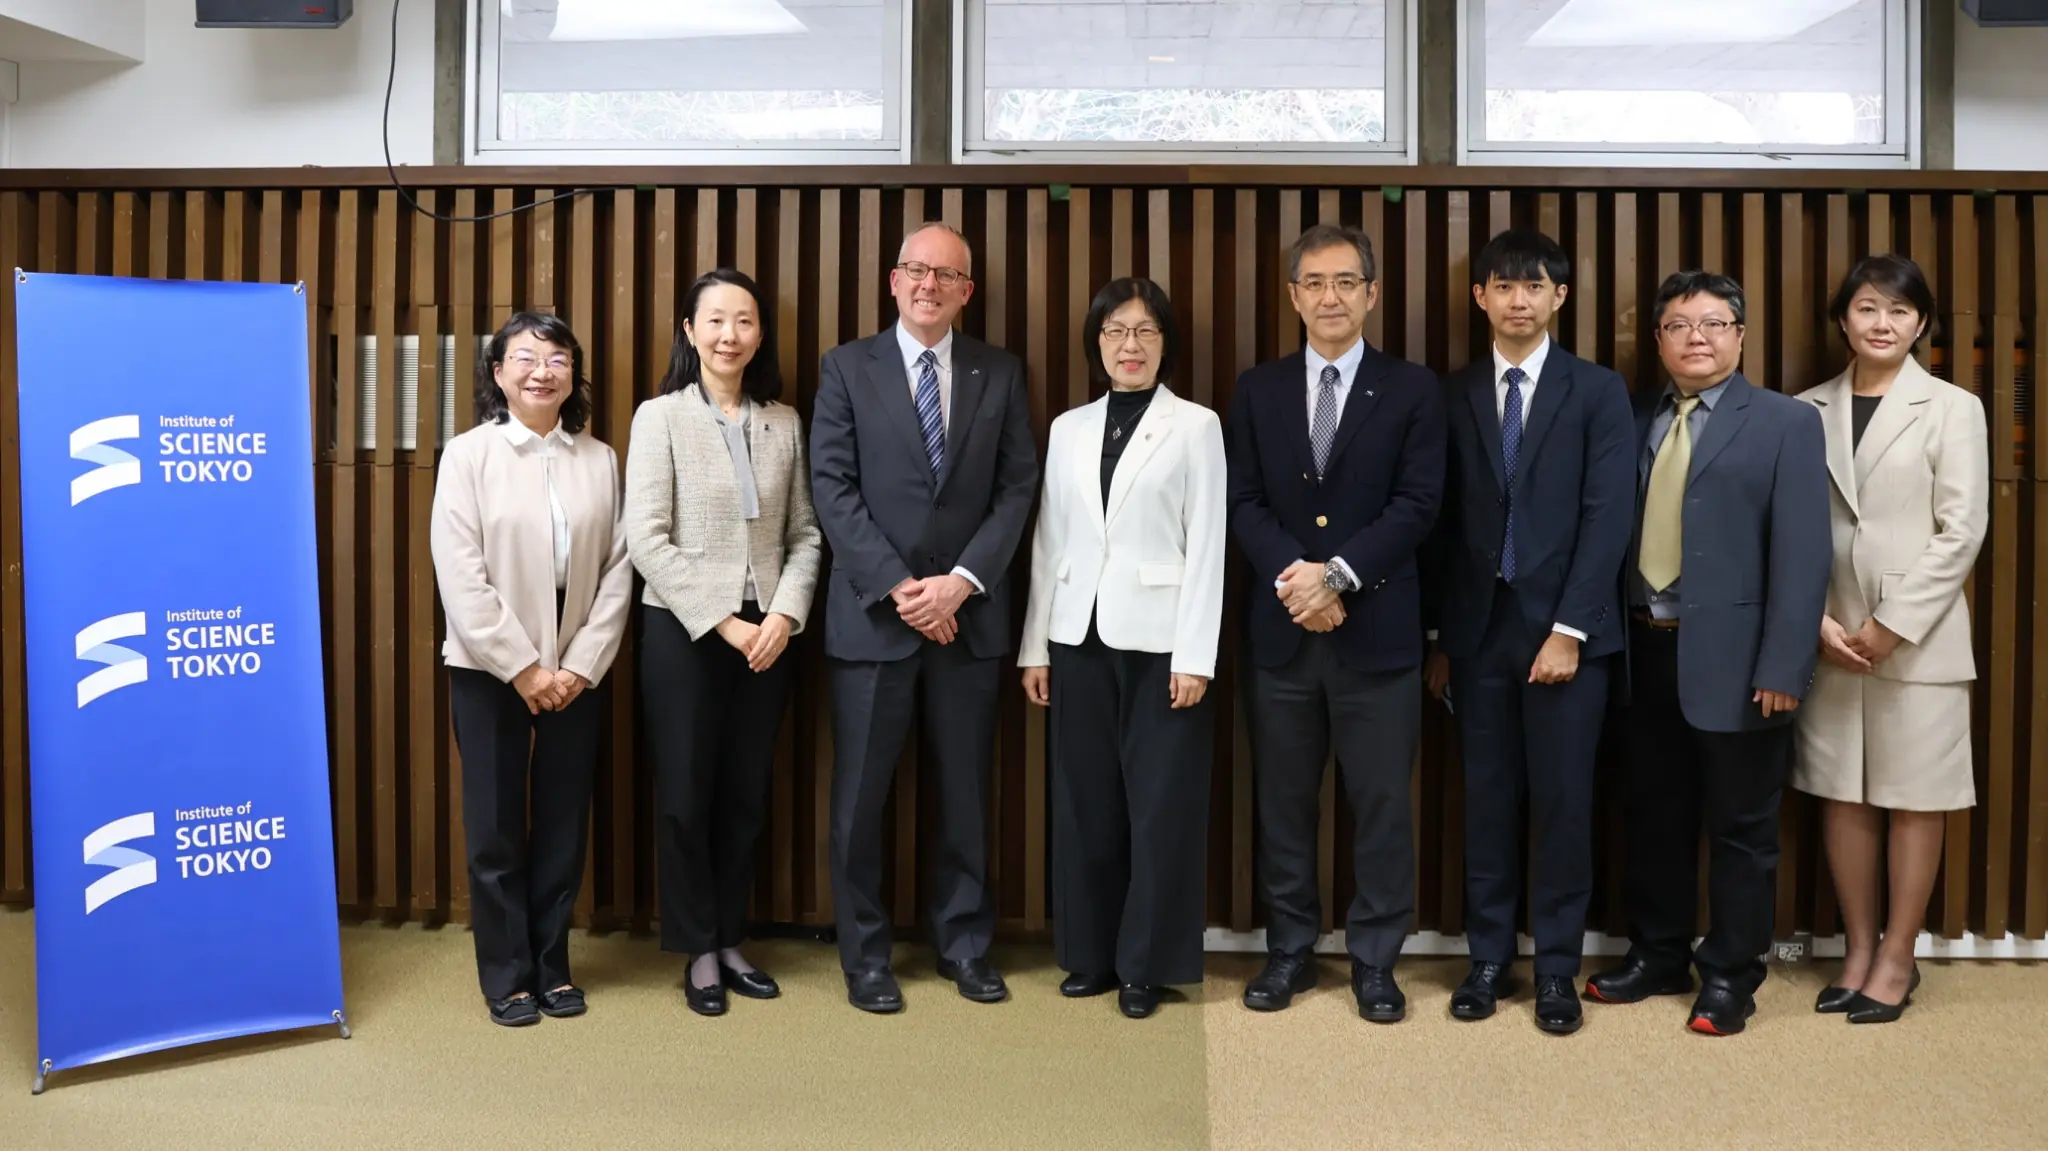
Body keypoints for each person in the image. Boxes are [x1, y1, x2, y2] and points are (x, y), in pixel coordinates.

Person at [1583, 271, 1831, 1037]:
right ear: (1656, 339)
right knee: (1653, 815)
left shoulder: (1786, 423)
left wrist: (1785, 666)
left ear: (1741, 335)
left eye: (1715, 323)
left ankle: (1730, 974)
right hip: (1643, 652)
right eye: (1680, 325)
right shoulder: (1632, 415)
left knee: (1741, 827)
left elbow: (1804, 555)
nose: (1698, 337)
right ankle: (1657, 954)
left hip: (1741, 662)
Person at [810, 221, 1040, 1013]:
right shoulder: (846, 367)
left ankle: (965, 945)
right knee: (861, 799)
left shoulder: (1001, 373)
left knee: (965, 794)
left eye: (946, 274)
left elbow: (1018, 490)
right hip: (875, 620)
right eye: (916, 269)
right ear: (893, 279)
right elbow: (832, 487)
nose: (929, 284)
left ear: (967, 290)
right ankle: (866, 957)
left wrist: (961, 583)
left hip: (968, 623)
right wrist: (907, 590)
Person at [1227, 223, 1446, 1023]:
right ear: (1293, 295)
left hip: (1377, 631)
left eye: (1346, 282)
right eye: (1314, 282)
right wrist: (1299, 581)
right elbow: (1243, 499)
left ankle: (1376, 957)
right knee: (1284, 802)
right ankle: (1290, 948)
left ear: (1372, 294)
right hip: (1284, 630)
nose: (1330, 296)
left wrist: (1340, 575)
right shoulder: (1258, 388)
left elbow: (1418, 503)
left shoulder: (1414, 388)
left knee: (1382, 802)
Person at [1421, 229, 1635, 1035]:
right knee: (1486, 801)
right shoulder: (1454, 390)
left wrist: (1571, 628)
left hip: (1565, 636)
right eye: (1503, 286)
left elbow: (1607, 515)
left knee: (1562, 803)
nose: (1518, 299)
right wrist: (1441, 634)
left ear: (1560, 299)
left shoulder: (1597, 390)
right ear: (1480, 296)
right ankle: (1486, 959)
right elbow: (1440, 523)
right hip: (1475, 635)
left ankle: (1554, 968)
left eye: (1534, 286)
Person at [1018, 277, 1227, 1020]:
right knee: (1084, 804)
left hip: (1163, 642)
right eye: (1115, 331)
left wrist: (1196, 655)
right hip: (1077, 634)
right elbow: (1050, 539)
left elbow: (1209, 545)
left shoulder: (1197, 426)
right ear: (1095, 341)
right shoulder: (1069, 428)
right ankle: (1091, 955)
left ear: (1166, 343)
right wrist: (1033, 645)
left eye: (1144, 331)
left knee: (1160, 806)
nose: (1129, 345)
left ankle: (1147, 963)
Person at [1792, 255, 1987, 1025]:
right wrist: (1816, 621)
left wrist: (1890, 626)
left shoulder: (1952, 408)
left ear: (1921, 324)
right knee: (1843, 791)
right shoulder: (1804, 409)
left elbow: (1961, 530)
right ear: (1843, 320)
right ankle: (1858, 949)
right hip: (1828, 633)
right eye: (1868, 308)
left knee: (1914, 798)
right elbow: (1789, 529)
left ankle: (1899, 957)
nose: (1882, 324)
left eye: (1900, 312)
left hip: (1918, 640)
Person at [625, 269, 824, 1018]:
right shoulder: (660, 417)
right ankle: (697, 945)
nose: (728, 334)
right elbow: (645, 536)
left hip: (769, 637)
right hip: (686, 633)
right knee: (685, 794)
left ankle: (732, 934)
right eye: (714, 320)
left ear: (759, 333)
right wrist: (725, 619)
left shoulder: (785, 422)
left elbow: (805, 532)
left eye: (743, 320)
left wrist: (783, 615)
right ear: (689, 330)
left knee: (744, 793)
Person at [429, 312, 634, 1027]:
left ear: (573, 374)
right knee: (493, 825)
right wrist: (522, 667)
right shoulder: (468, 455)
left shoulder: (600, 459)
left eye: (556, 358)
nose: (541, 370)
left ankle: (553, 965)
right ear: (497, 373)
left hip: (576, 671)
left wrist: (577, 666)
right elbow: (460, 574)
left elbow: (619, 570)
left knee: (560, 822)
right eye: (525, 357)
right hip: (489, 668)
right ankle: (507, 973)